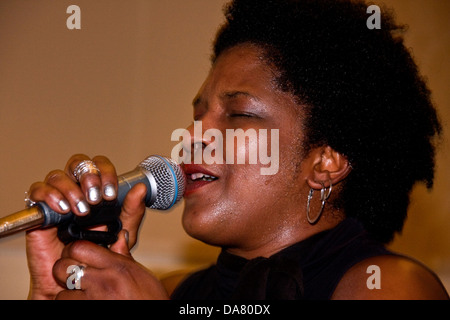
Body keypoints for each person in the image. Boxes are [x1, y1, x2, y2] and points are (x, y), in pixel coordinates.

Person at [25, 0, 449, 300]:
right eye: (198, 114)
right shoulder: (173, 292)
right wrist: (52, 291)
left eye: (239, 115)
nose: (192, 135)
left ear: (325, 162)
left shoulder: (390, 286)